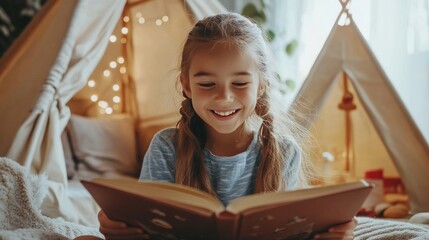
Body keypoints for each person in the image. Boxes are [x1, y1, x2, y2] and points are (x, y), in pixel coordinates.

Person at [97, 12, 357, 240]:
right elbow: (149, 225)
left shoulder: (284, 151)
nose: (224, 97)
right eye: (207, 84)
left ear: (262, 84)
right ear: (187, 85)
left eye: (240, 84)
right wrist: (120, 228)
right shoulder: (167, 146)